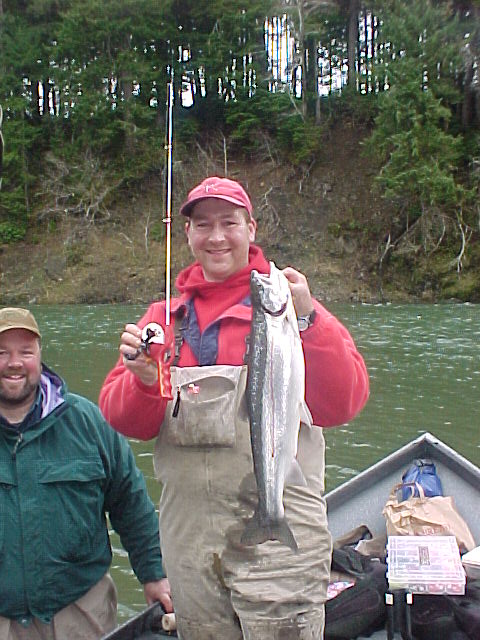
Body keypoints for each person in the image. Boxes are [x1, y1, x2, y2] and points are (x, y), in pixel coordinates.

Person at [99, 176, 369, 640]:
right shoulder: (163, 321)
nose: (217, 236)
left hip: (279, 536)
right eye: (203, 225)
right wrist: (145, 381)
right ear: (187, 235)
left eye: (230, 223)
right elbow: (124, 421)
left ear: (252, 229)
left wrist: (307, 319)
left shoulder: (289, 307)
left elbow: (342, 403)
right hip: (190, 544)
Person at [0, 307, 172, 640]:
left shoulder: (88, 422)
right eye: (2, 353)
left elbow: (131, 503)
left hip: (80, 614)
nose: (14, 363)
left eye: (25, 352)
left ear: (40, 356)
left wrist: (155, 574)